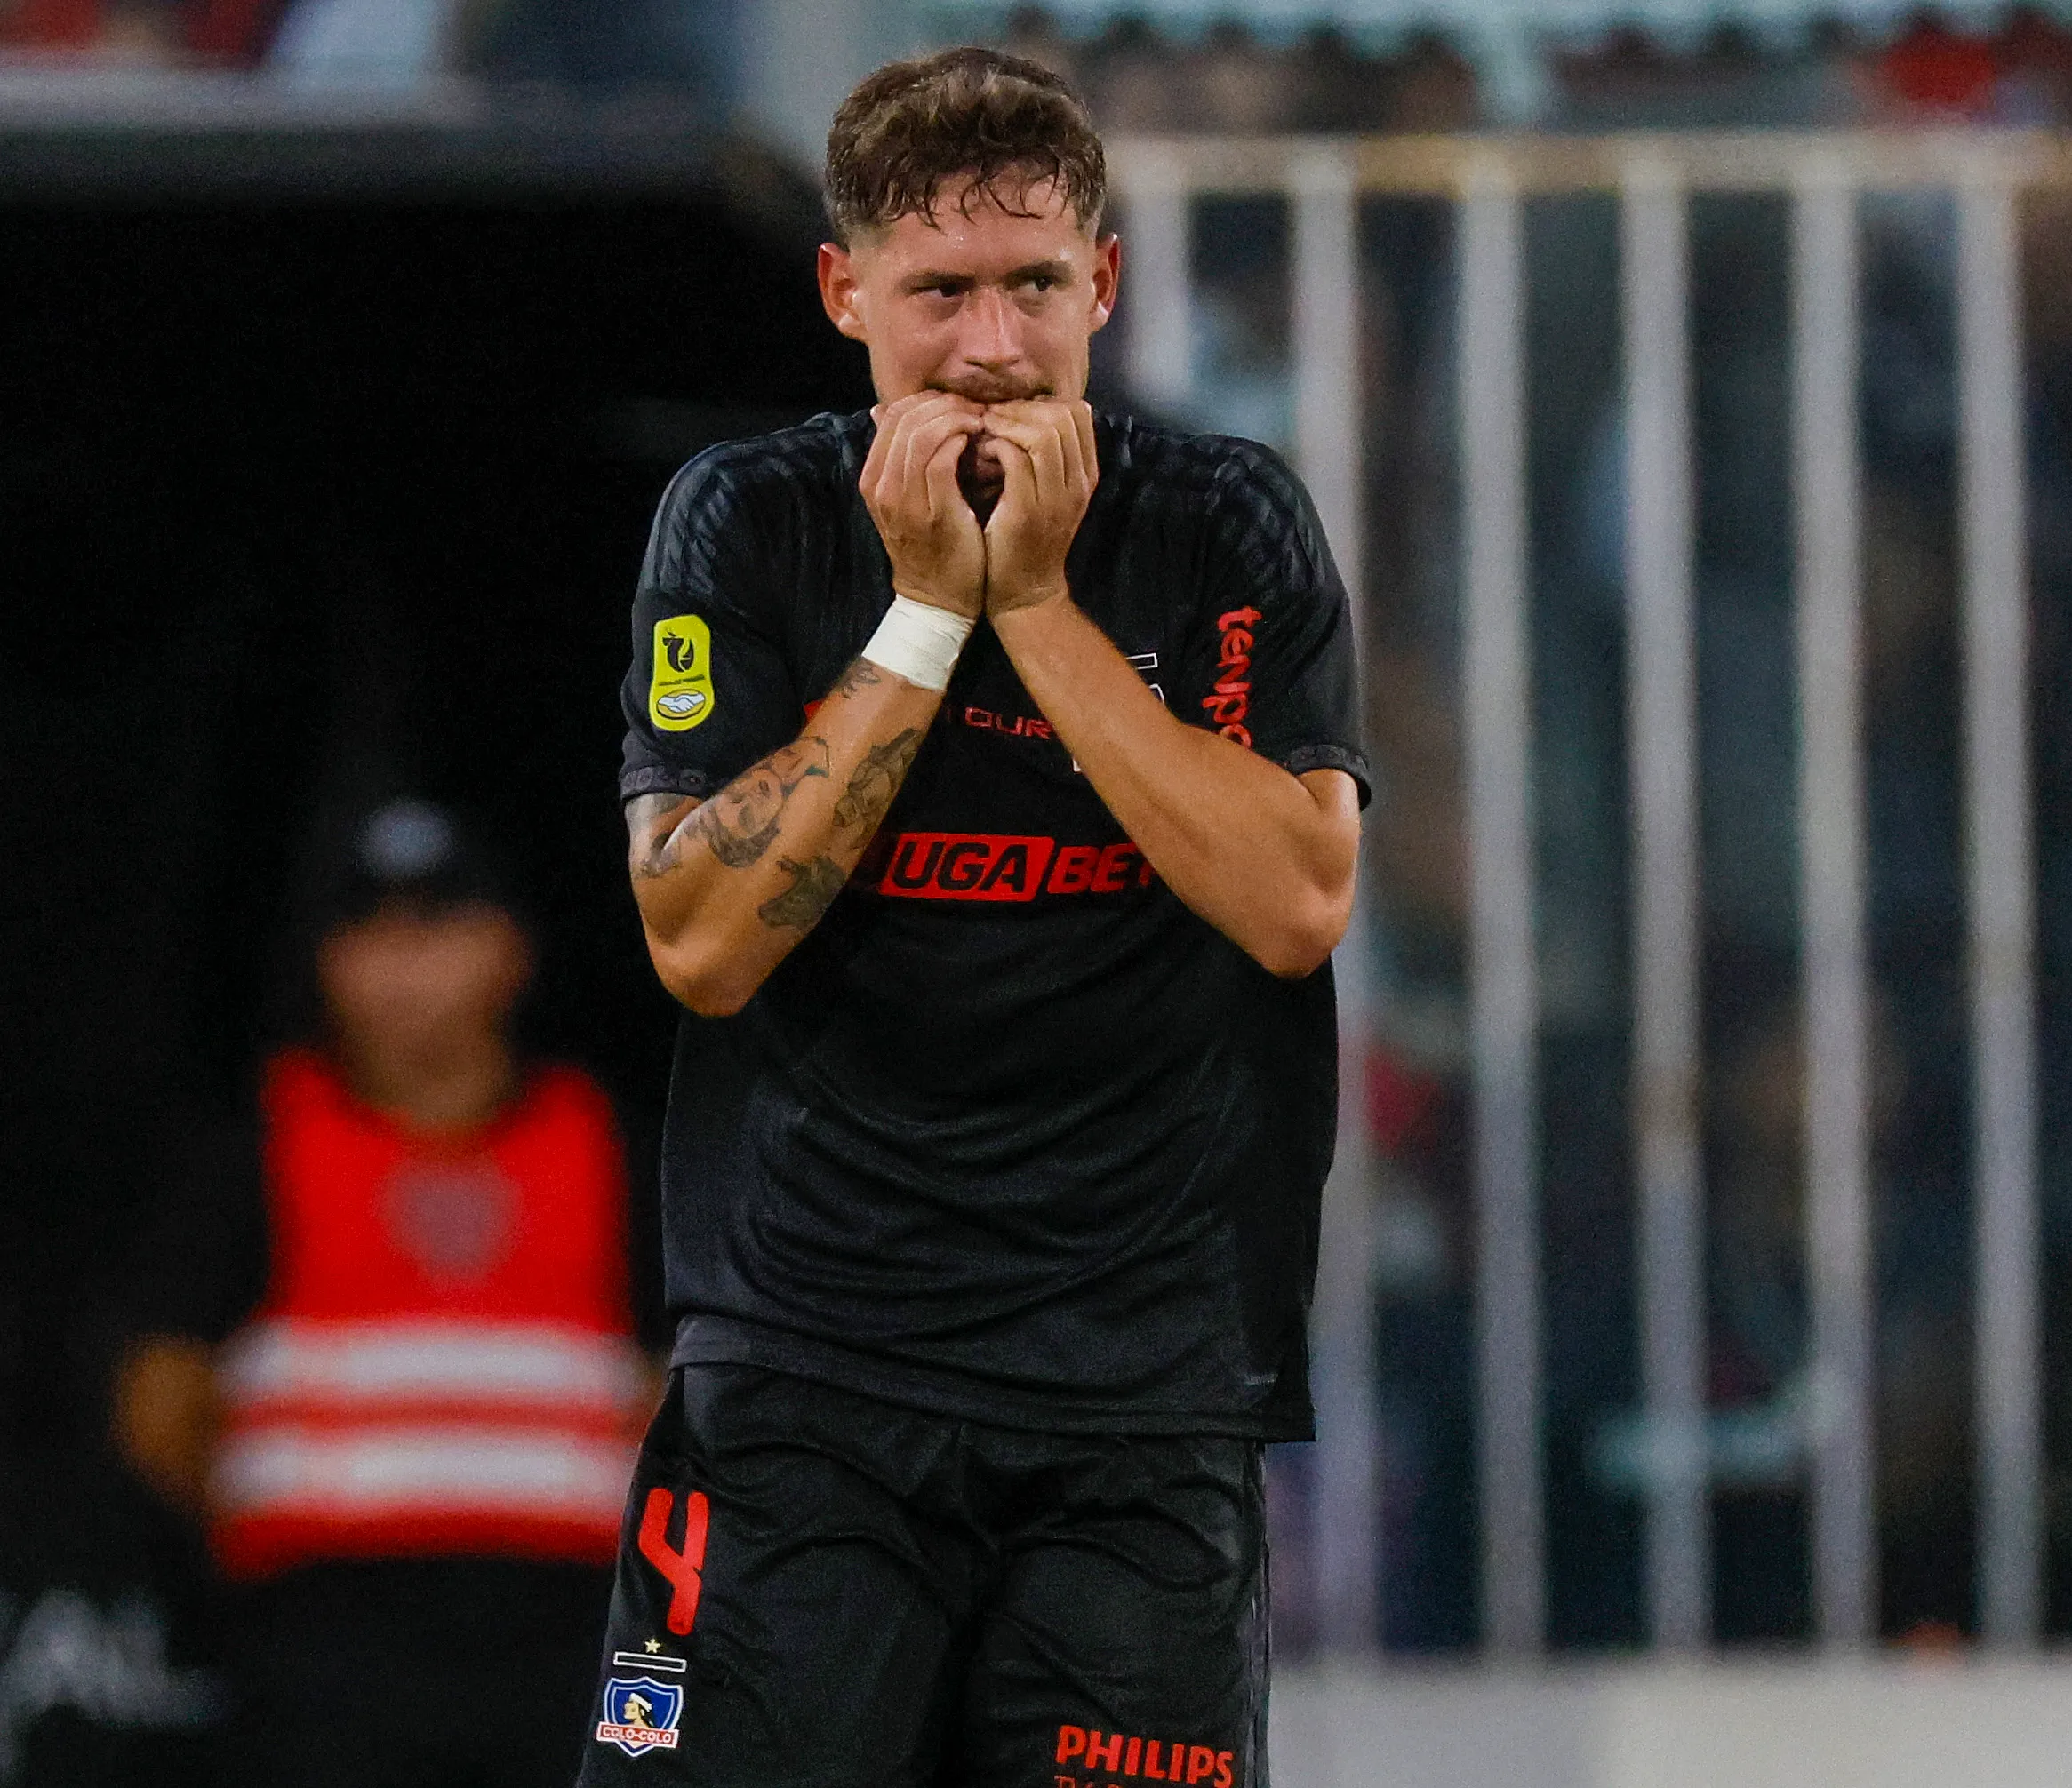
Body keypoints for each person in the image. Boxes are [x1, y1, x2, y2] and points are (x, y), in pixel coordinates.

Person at [593, 45, 1365, 1786]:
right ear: (843, 289)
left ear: (1103, 281)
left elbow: (1300, 899)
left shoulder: (1225, 524)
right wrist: (927, 621)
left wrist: (1038, 615)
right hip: (805, 1394)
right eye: (940, 292)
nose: (996, 349)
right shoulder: (743, 523)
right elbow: (702, 939)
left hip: (1143, 1417)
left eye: (1034, 286)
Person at [116, 797, 651, 1788]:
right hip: (326, 1644)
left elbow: (680, 1387)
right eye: (367, 930)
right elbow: (160, 1398)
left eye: (437, 924)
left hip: (569, 1644)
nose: (401, 964)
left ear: (511, 948)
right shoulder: (258, 1145)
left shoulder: (608, 1142)